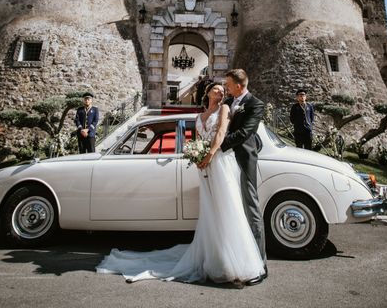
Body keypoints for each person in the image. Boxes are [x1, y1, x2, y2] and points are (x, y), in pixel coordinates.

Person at [96, 82, 265, 286]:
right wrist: (197, 155)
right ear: (208, 92)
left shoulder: (225, 109)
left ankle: (234, 259)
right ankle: (215, 255)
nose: (221, 90)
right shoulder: (198, 116)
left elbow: (221, 134)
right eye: (216, 88)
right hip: (205, 166)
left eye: (223, 88)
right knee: (211, 212)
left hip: (219, 162)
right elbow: (195, 140)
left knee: (227, 210)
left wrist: (209, 154)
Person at [201, 68, 268, 285]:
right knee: (231, 211)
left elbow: (245, 133)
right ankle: (235, 257)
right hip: (226, 163)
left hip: (242, 160)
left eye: (228, 85)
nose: (225, 88)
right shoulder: (230, 101)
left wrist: (216, 147)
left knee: (251, 209)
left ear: (239, 85)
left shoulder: (255, 104)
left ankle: (260, 264)